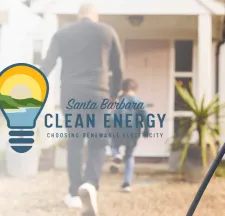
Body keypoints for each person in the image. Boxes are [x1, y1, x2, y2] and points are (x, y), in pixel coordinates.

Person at [40, 2, 122, 216]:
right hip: (99, 95)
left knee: (75, 142)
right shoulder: (107, 31)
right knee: (98, 142)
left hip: (72, 96)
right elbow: (118, 68)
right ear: (95, 16)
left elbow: (46, 65)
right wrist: (113, 94)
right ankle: (90, 184)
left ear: (79, 16)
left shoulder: (62, 33)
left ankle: (75, 193)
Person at [110, 79, 149, 192]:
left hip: (118, 129)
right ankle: (127, 184)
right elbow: (145, 115)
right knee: (129, 156)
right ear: (135, 89)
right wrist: (146, 130)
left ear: (123, 88)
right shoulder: (138, 101)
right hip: (133, 131)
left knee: (113, 145)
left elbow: (111, 115)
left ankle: (117, 154)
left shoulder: (119, 100)